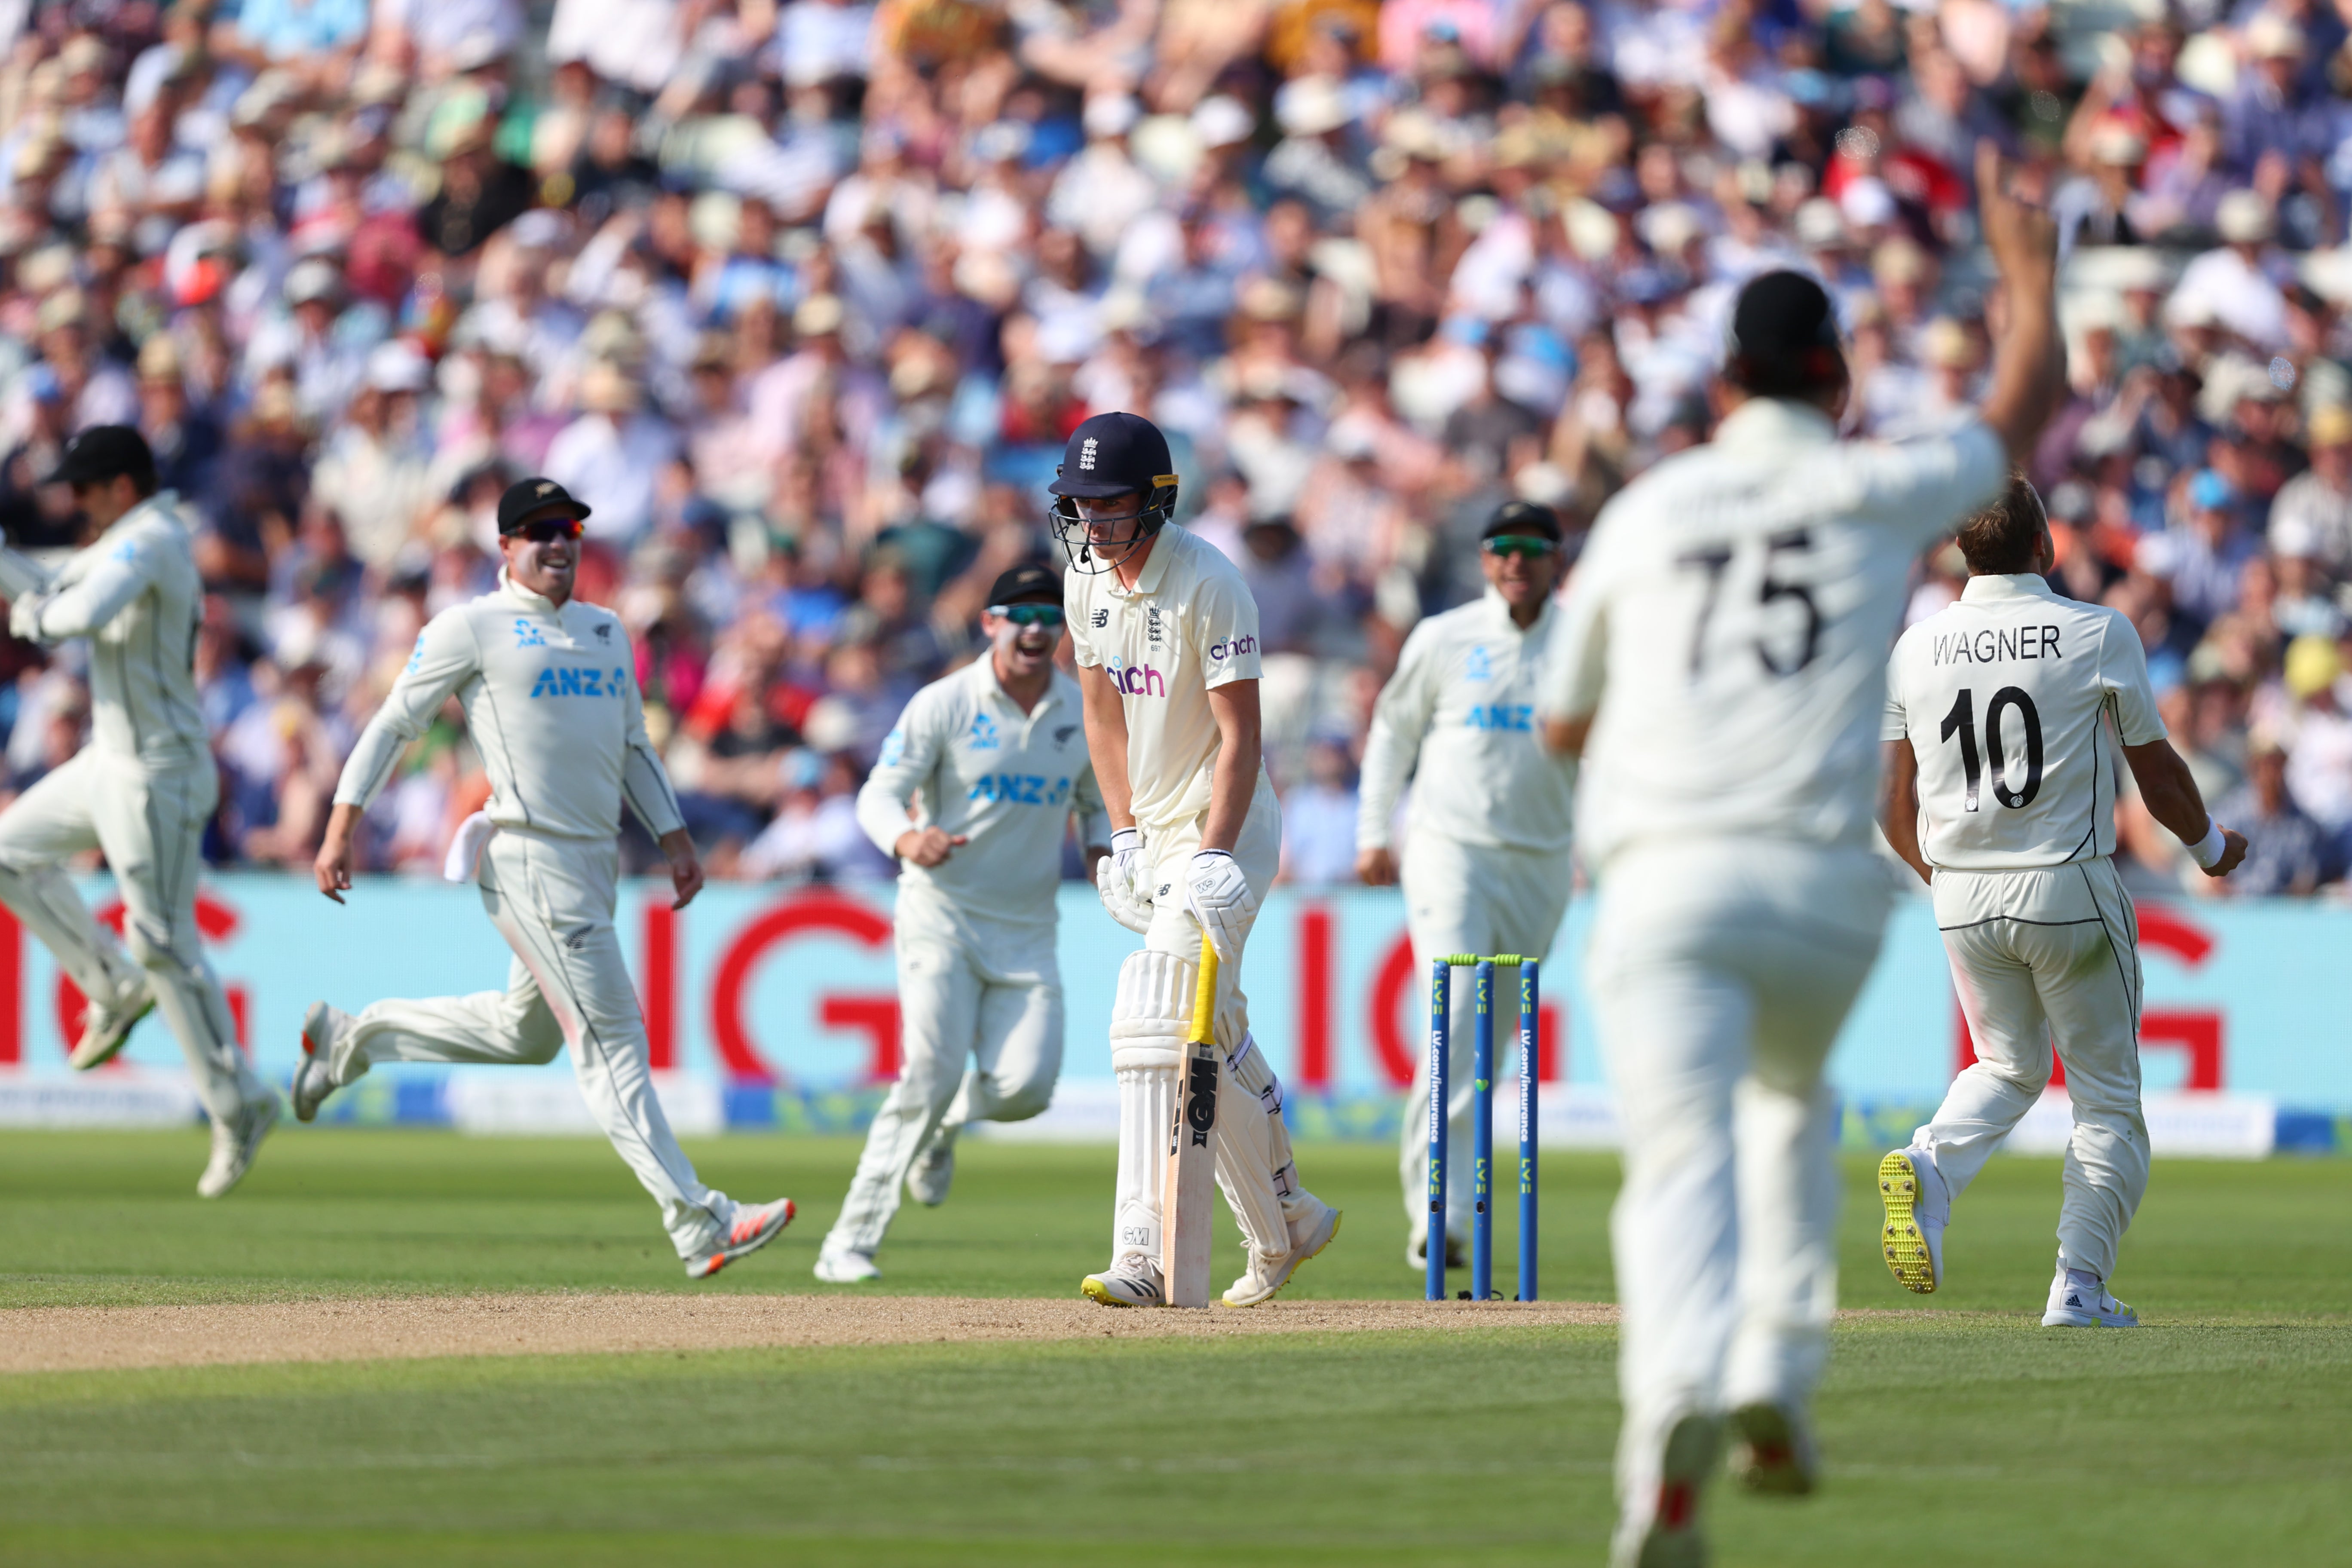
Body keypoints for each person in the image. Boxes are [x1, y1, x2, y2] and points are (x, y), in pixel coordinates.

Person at [1537, 145, 2069, 1567]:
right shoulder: (1872, 487)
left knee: (1675, 1160)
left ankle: (1670, 1424)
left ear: (1722, 387)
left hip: (1665, 877)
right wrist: (2027, 278)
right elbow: (2025, 408)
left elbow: (1559, 715)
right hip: (1821, 890)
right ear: (1836, 382)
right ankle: (1776, 1354)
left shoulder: (1650, 512)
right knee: (1786, 1105)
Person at [296, 477, 796, 1281]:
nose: (558, 544)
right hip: (527, 853)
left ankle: (349, 1041)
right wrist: (341, 823)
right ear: (505, 548)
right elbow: (396, 722)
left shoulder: (604, 632)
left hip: (595, 860)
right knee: (612, 1039)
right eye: (538, 533)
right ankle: (701, 1221)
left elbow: (634, 746)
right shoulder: (471, 627)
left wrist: (675, 838)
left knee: (524, 1035)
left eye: (568, 531)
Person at [1879, 473, 2245, 1328]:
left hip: (1962, 894)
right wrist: (2212, 849)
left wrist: (1952, 883)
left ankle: (1930, 1165)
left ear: (1963, 551)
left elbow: (1892, 805)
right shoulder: (2095, 632)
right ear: (2047, 548)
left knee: (2005, 1066)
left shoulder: (1916, 646)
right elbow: (2156, 771)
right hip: (2067, 881)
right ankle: (2078, 1288)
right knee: (2108, 1099)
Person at [1054, 409, 1342, 1308]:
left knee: (1151, 1012)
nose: (1096, 526)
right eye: (1082, 508)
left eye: (1112, 508)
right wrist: (1124, 830)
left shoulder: (1211, 582)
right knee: (1209, 1032)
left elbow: (1240, 736)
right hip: (1158, 831)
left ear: (1158, 500)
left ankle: (1143, 1255)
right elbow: (1101, 712)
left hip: (1230, 826)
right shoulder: (1086, 582)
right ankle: (1286, 1218)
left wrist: (1214, 851)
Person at [812, 563, 1113, 1283]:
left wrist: (1105, 851)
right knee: (930, 1070)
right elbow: (877, 795)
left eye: (1051, 616)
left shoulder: (1081, 712)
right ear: (990, 624)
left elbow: (1096, 800)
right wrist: (909, 840)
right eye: (1022, 615)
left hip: (1028, 928)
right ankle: (848, 1243)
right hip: (940, 914)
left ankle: (946, 1124)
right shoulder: (944, 703)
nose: (1037, 629)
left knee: (1026, 1091)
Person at [0, 426, 279, 1196]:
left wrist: (28, 616)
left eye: (84, 490)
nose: (75, 503)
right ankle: (109, 985)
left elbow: (74, 613)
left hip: (159, 771)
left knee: (163, 942)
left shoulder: (154, 538)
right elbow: (52, 577)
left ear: (121, 486)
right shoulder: (125, 536)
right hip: (111, 759)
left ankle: (240, 1102)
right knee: (7, 854)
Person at [1357, 497, 1577, 1275]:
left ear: (1557, 559)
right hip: (1451, 853)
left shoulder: (1586, 641)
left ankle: (1451, 1201)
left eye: (1532, 548)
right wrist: (1372, 832)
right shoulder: (1446, 637)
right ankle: (1435, 1217)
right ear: (1485, 560)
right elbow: (1392, 730)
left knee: (1494, 1044)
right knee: (1452, 1023)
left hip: (1543, 861)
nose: (1516, 561)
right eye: (1503, 548)